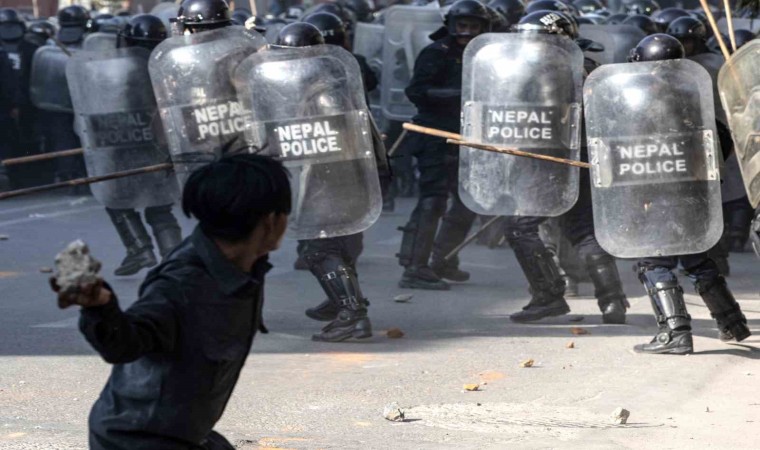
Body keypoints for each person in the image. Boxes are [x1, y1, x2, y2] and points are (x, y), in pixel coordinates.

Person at [50, 154, 291, 449]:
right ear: (272, 222)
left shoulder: (242, 262)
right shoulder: (181, 285)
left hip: (181, 429)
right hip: (138, 439)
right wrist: (100, 307)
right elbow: (125, 343)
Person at [626, 34, 751, 354]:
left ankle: (675, 333)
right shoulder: (693, 97)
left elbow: (628, 150)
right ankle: (732, 323)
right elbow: (721, 139)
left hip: (660, 196)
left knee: (652, 260)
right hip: (694, 196)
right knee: (697, 259)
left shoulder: (641, 104)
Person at [504, 10, 629, 324]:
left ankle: (548, 296)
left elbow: (540, 118)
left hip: (549, 159)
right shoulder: (590, 67)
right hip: (584, 158)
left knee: (520, 226)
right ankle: (613, 302)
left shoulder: (545, 71)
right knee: (584, 230)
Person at [273, 21, 376, 342]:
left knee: (318, 246)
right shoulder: (322, 83)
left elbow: (332, 140)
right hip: (333, 177)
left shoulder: (327, 92)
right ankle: (342, 300)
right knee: (334, 245)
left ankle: (352, 314)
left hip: (334, 179)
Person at [397, 0, 490, 290]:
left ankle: (443, 259)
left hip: (471, 136)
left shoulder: (486, 56)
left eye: (473, 26)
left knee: (468, 201)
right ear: (451, 25)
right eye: (462, 25)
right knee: (433, 199)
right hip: (435, 134)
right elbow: (416, 91)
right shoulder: (436, 52)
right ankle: (415, 267)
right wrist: (461, 95)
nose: (467, 31)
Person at [104, 15, 184, 276]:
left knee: (116, 199)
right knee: (159, 204)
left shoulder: (123, 70)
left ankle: (140, 250)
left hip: (129, 144)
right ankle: (173, 257)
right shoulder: (168, 67)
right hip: (161, 144)